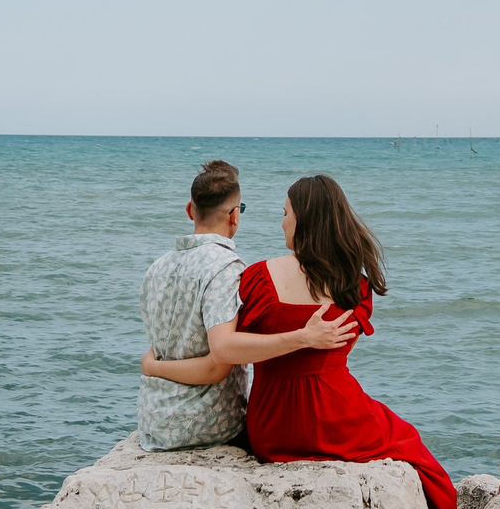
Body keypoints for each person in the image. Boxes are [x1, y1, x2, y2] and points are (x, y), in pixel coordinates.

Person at [142, 173, 457, 509]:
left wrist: (155, 363)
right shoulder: (354, 285)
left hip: (271, 427)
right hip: (336, 419)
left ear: (303, 220)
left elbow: (230, 344)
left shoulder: (258, 277)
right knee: (408, 442)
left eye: (286, 213)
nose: (282, 222)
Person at [137, 159, 360, 451]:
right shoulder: (227, 269)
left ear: (190, 210)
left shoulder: (156, 268)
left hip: (154, 423)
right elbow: (216, 367)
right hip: (208, 424)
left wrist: (152, 366)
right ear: (234, 217)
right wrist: (151, 367)